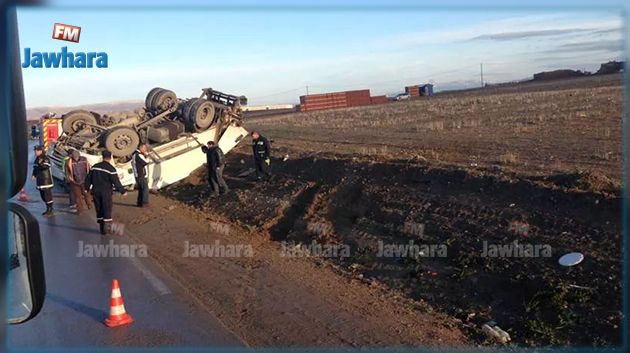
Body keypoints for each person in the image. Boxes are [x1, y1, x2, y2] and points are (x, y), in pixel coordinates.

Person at [85, 150, 127, 235]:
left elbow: (88, 178)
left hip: (96, 191)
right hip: (106, 192)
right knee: (106, 208)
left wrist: (86, 188)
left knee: (99, 208)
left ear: (102, 157)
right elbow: (116, 182)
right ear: (110, 157)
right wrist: (122, 191)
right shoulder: (111, 169)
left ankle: (101, 228)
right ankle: (106, 229)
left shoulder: (94, 167)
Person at [32, 145, 54, 216]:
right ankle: (48, 209)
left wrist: (40, 164)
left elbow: (46, 166)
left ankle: (50, 210)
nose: (35, 152)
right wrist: (34, 174)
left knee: (47, 196)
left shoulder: (45, 158)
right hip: (40, 180)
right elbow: (35, 168)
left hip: (46, 180)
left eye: (37, 151)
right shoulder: (37, 158)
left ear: (41, 151)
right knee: (43, 196)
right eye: (35, 151)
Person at [131, 143, 150, 208]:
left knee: (141, 189)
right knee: (145, 189)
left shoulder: (134, 154)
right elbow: (145, 162)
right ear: (140, 148)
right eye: (144, 148)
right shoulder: (138, 155)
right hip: (141, 175)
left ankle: (139, 203)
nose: (145, 149)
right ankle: (145, 203)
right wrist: (147, 156)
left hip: (137, 175)